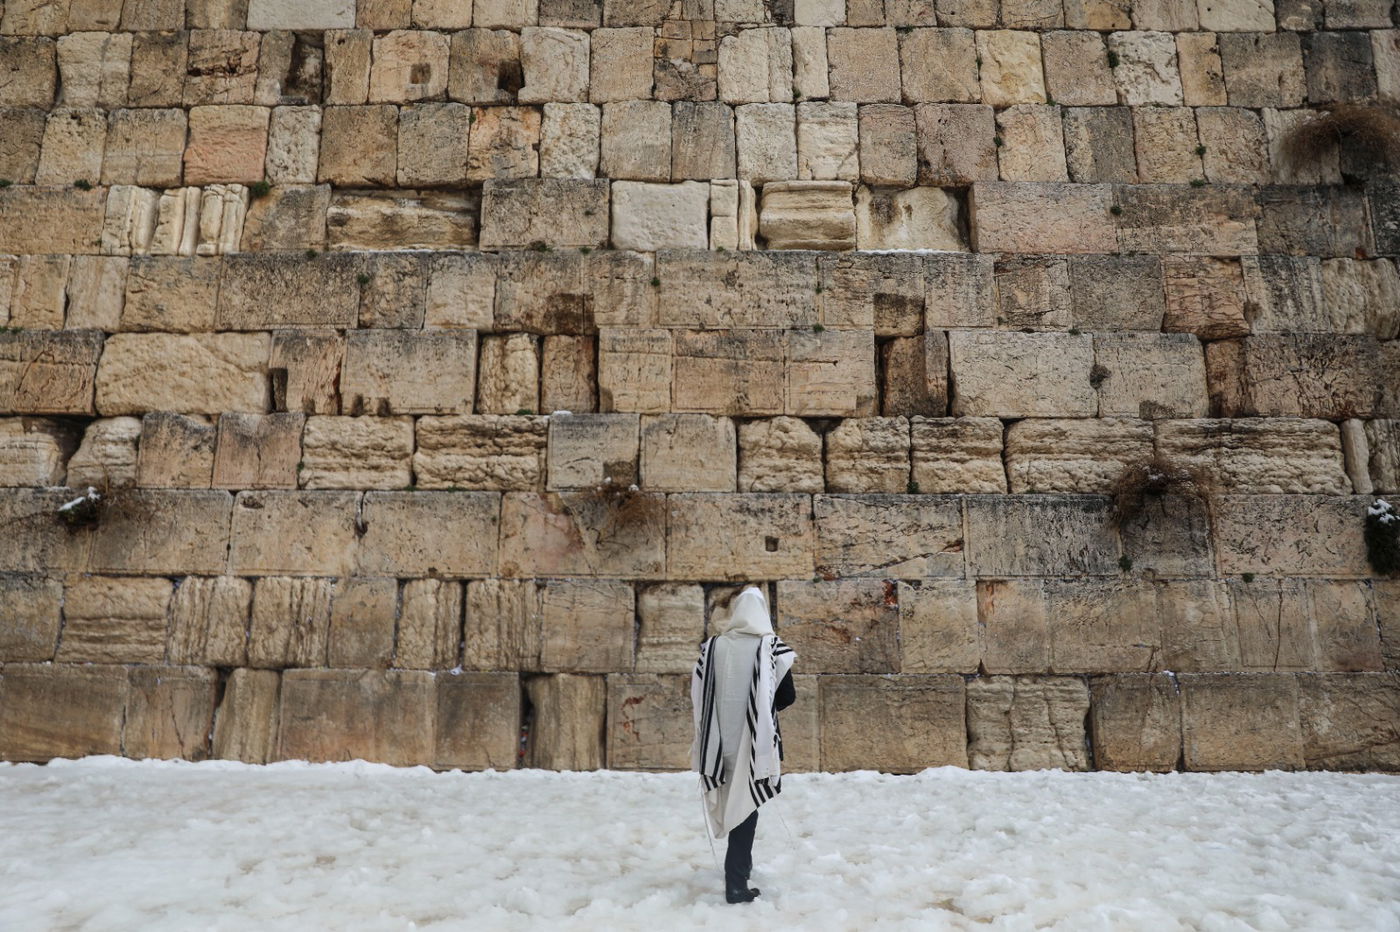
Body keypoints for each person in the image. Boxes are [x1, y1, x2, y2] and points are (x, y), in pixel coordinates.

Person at [689, 585, 797, 904]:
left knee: (734, 802)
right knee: (747, 805)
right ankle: (736, 882)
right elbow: (788, 696)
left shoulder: (712, 647)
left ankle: (742, 867)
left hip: (718, 741)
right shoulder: (771, 647)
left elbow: (698, 693)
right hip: (753, 741)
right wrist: (760, 710)